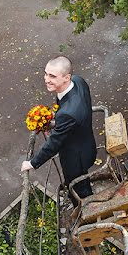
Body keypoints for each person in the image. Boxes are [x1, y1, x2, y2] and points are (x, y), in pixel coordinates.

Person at [21, 56, 97, 201]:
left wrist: (32, 163)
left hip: (76, 157)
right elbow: (73, 115)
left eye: (52, 76)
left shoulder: (68, 113)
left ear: (66, 77)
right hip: (85, 142)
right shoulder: (78, 81)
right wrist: (58, 123)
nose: (46, 79)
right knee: (81, 181)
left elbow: (54, 144)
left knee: (77, 186)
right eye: (46, 73)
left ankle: (85, 208)